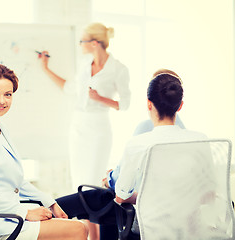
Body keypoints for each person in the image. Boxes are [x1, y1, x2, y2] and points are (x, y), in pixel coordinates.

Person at [56, 70, 207, 239]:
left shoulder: (140, 140)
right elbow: (208, 194)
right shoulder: (200, 141)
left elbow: (121, 195)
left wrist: (112, 179)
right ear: (179, 105)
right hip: (186, 225)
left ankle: (45, 211)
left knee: (102, 201)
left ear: (149, 103)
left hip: (147, 223)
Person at [0, 63, 88, 240]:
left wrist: (50, 202)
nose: (2, 101)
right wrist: (26, 212)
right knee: (79, 229)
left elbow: (17, 181)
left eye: (7, 95)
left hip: (8, 217)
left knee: (73, 226)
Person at [39, 22, 131, 239]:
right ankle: (87, 235)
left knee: (93, 183)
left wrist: (101, 98)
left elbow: (125, 103)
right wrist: (45, 68)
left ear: (95, 43)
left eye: (82, 41)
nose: (80, 45)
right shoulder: (84, 64)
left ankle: (97, 236)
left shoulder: (118, 69)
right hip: (79, 126)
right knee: (78, 181)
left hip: (99, 127)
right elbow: (69, 88)